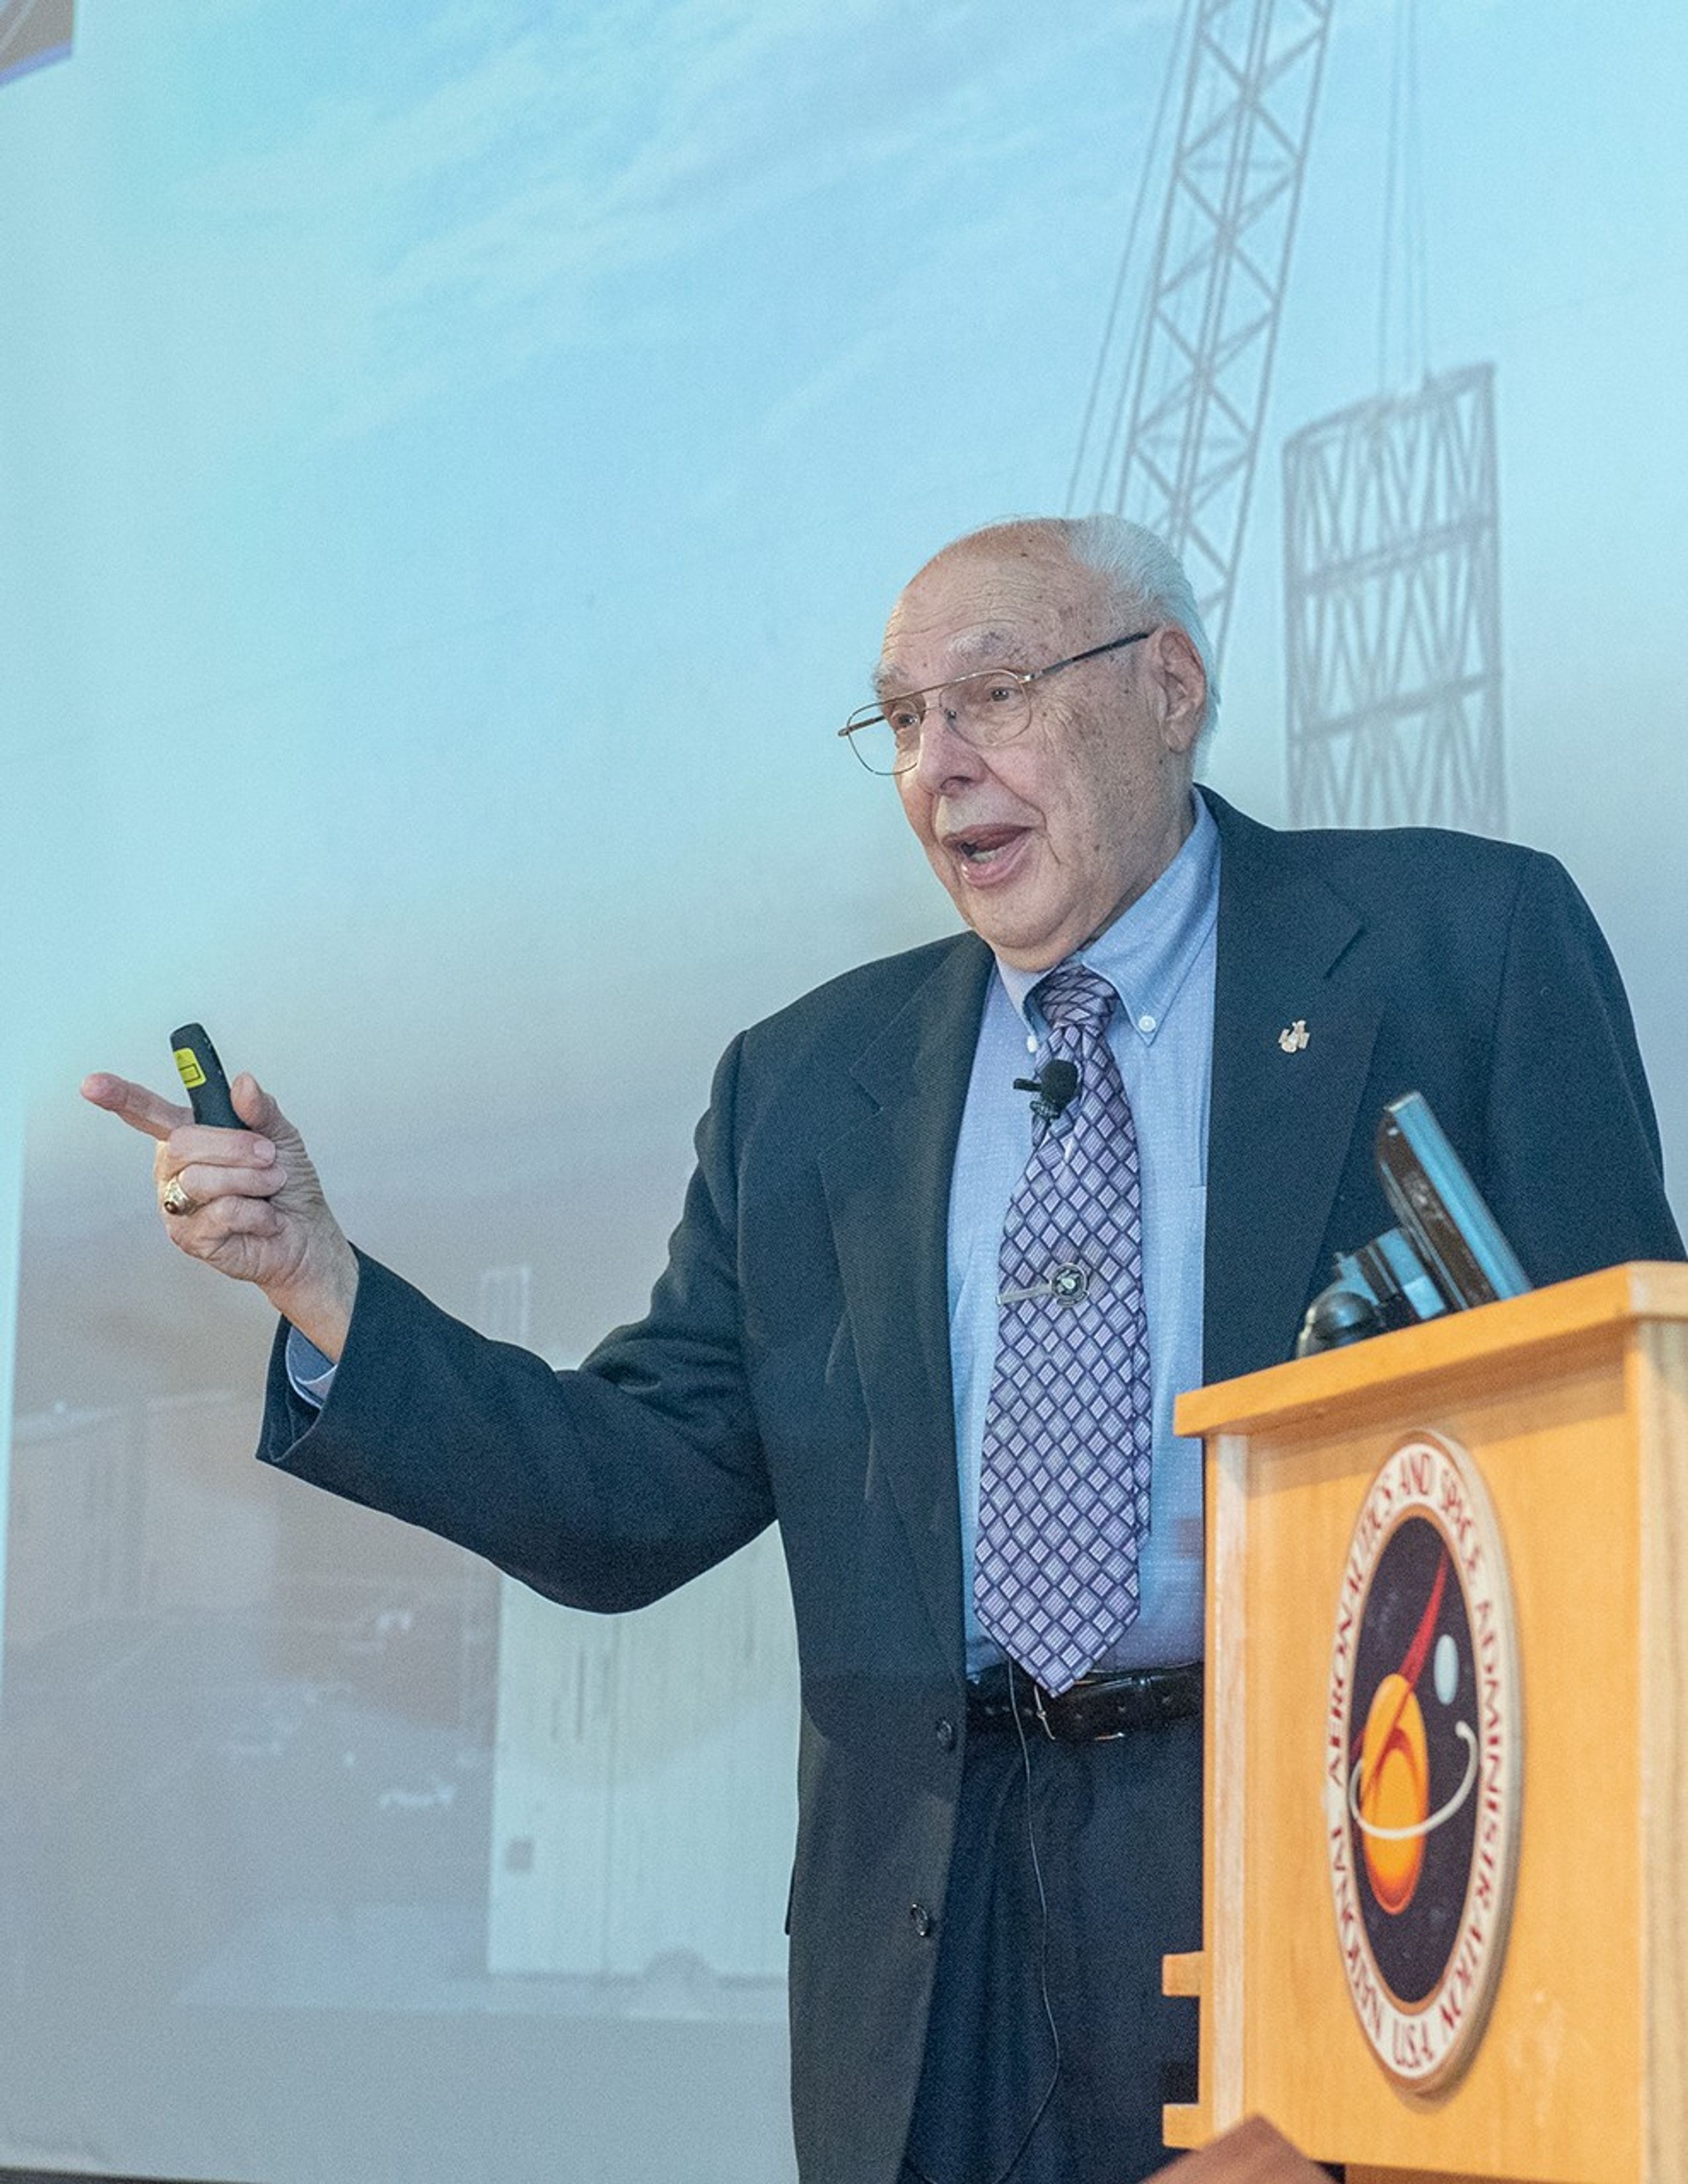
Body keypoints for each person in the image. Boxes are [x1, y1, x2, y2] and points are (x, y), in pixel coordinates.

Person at [85, 515, 1683, 2184]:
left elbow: (1627, 1497)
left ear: (1171, 688)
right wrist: (324, 1282)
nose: (939, 767)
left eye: (990, 693)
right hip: (932, 1930)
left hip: (1327, 1878)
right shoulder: (810, 1085)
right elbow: (628, 1494)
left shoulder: (1456, 948)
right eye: (902, 723)